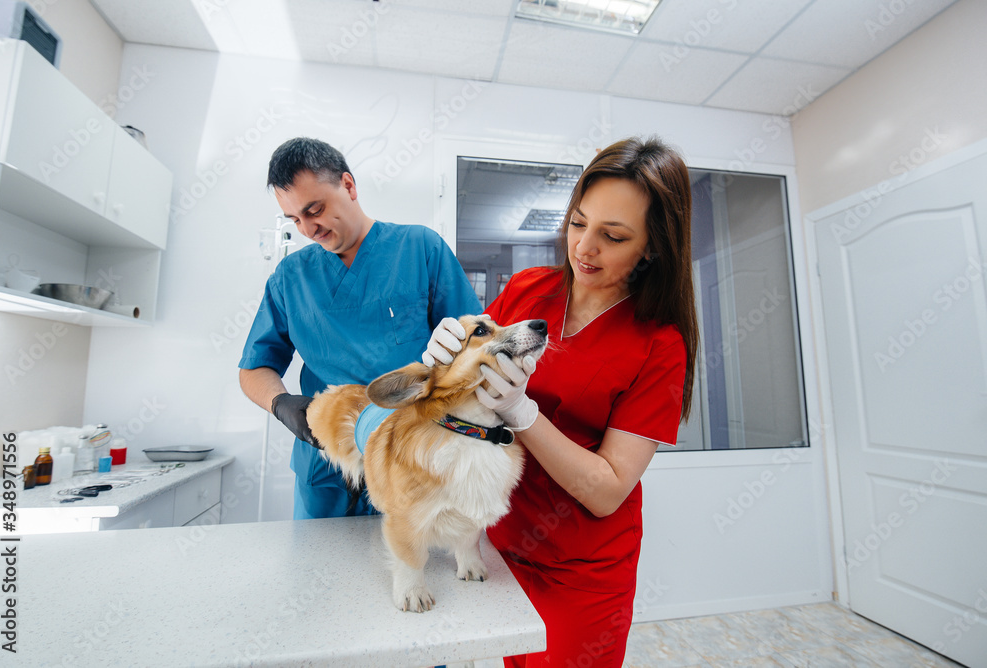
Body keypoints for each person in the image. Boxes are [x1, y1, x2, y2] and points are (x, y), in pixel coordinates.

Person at [424, 137, 699, 667]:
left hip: (582, 569)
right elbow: (469, 386)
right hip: (502, 545)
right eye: (578, 223)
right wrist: (447, 355)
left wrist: (523, 412)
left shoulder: (658, 344)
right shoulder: (530, 288)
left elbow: (608, 490)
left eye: (612, 236)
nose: (584, 249)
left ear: (653, 247)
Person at [239, 137, 482, 519]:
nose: (307, 228)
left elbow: (475, 347)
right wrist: (280, 404)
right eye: (294, 220)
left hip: (414, 457)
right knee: (318, 573)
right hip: (326, 466)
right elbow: (254, 366)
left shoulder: (420, 249)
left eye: (314, 210)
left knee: (412, 571)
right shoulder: (290, 278)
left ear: (348, 186)